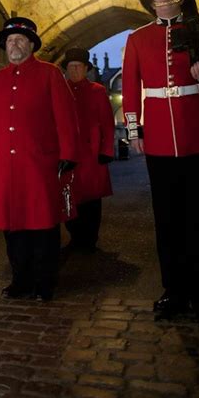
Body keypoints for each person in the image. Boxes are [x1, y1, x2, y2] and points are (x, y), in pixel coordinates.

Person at [122, 0, 199, 323]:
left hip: (198, 136)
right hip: (160, 144)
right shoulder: (138, 39)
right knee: (167, 218)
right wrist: (135, 130)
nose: (163, 0)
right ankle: (174, 288)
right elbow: (132, 89)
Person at [0, 17, 79, 301]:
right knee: (12, 227)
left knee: (43, 226)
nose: (14, 45)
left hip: (39, 165)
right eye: (9, 41)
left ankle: (45, 281)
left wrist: (68, 154)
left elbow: (65, 119)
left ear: (31, 45)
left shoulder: (50, 74)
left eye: (20, 40)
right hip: (7, 169)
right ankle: (21, 279)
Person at [62, 48, 114, 252]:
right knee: (70, 197)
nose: (74, 71)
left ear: (85, 69)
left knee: (92, 200)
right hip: (69, 154)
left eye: (78, 67)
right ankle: (75, 237)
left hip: (92, 154)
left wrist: (106, 150)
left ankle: (90, 238)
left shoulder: (97, 91)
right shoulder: (61, 90)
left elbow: (107, 123)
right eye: (70, 67)